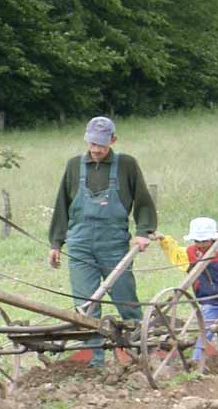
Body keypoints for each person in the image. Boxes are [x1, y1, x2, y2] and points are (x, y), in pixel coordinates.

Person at [48, 116, 157, 366]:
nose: (96, 150)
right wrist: (56, 244)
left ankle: (140, 350)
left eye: (101, 144)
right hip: (80, 245)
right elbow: (61, 206)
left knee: (125, 299)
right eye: (92, 143)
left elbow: (143, 202)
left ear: (113, 141)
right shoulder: (74, 166)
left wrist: (143, 231)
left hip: (114, 245)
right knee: (85, 305)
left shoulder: (127, 165)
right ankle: (95, 361)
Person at [155, 217, 218, 363]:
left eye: (204, 241)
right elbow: (175, 253)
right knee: (205, 329)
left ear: (213, 238)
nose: (201, 245)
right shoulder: (191, 253)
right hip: (208, 299)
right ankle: (197, 359)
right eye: (197, 241)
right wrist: (164, 241)